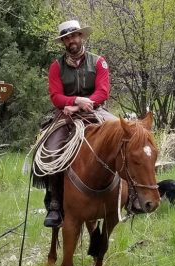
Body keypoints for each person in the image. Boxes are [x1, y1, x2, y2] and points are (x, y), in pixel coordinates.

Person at [34, 20, 117, 228]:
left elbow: (103, 91)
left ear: (82, 37)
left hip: (95, 110)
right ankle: (54, 203)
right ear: (63, 41)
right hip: (65, 115)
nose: (72, 40)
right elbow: (55, 96)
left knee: (122, 136)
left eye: (75, 36)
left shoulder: (98, 62)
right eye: (67, 38)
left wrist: (81, 104)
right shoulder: (56, 66)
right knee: (50, 151)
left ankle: (130, 195)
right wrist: (73, 101)